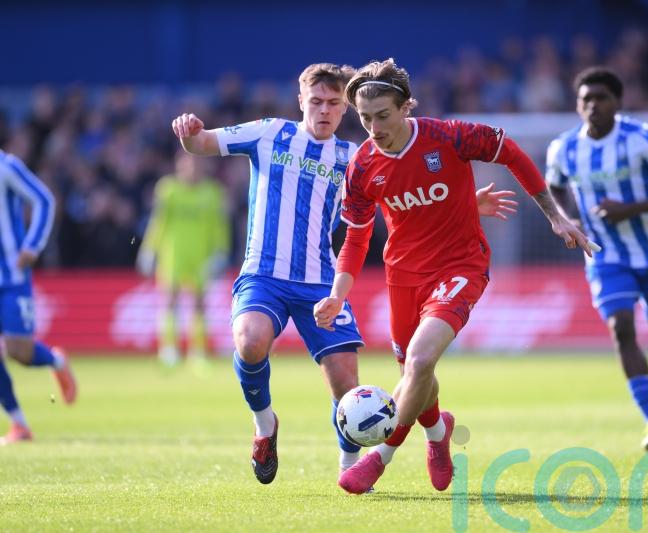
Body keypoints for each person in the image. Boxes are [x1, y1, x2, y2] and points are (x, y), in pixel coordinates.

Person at [171, 63, 518, 485]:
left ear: (345, 108)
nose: (324, 110)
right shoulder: (268, 133)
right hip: (264, 273)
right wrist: (189, 133)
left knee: (345, 383)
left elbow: (401, 202)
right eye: (316, 101)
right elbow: (202, 144)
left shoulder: (356, 157)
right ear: (301, 101)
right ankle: (265, 427)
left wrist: (462, 205)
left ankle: (349, 465)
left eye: (334, 103)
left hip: (322, 279)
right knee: (250, 341)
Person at [313, 58, 593, 494]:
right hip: (403, 275)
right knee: (415, 374)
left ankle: (378, 458)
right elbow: (356, 238)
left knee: (420, 361)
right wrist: (337, 293)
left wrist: (555, 215)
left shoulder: (448, 137)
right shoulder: (363, 166)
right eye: (365, 118)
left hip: (461, 266)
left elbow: (511, 152)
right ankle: (438, 433)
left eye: (383, 116)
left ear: (405, 107)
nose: (374, 128)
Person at [545, 66, 648, 451]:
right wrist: (567, 217)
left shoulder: (641, 139)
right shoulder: (564, 148)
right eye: (586, 99)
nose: (593, 105)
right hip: (603, 254)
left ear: (617, 102)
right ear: (577, 105)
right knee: (621, 328)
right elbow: (553, 186)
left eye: (601, 98)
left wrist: (631, 208)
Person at [0, 149, 77, 445]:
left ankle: (56, 361)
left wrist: (32, 245)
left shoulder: (6, 167)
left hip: (12, 278)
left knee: (19, 352)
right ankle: (19, 424)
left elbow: (44, 200)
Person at [137, 151, 230, 366]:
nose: (193, 168)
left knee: (199, 304)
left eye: (197, 163)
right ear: (179, 165)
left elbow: (220, 226)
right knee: (170, 301)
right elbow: (158, 221)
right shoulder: (167, 189)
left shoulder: (213, 192)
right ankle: (169, 350)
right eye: (188, 163)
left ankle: (198, 351)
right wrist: (149, 249)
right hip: (172, 254)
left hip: (201, 256)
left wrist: (221, 251)